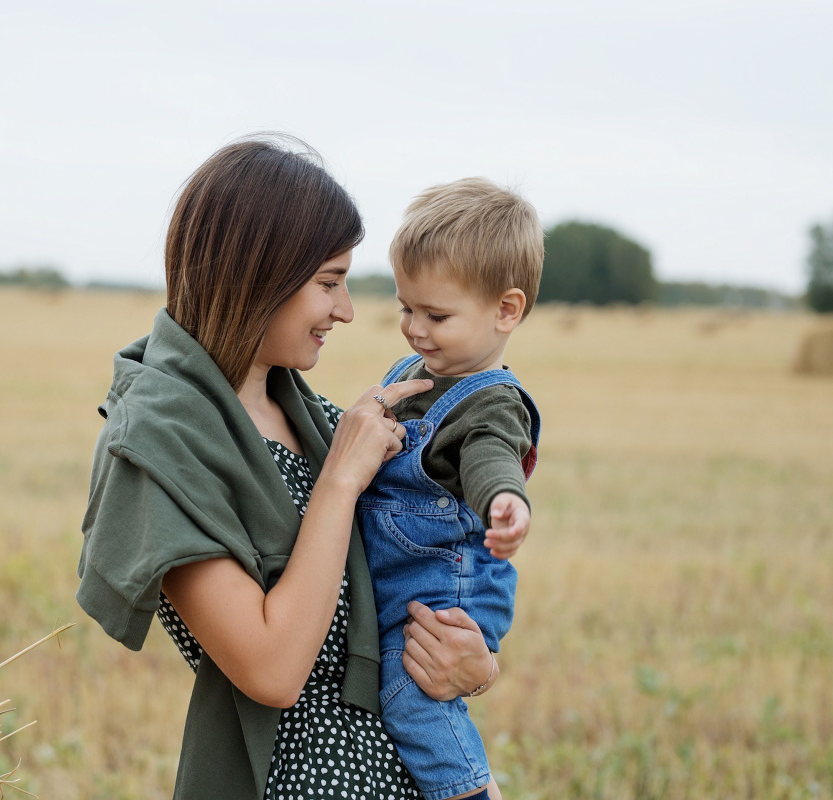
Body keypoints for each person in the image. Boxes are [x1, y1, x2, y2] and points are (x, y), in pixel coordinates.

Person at [77, 137, 499, 800]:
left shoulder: (316, 419)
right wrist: (340, 479)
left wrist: (474, 665)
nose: (347, 310)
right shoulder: (157, 449)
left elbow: (423, 576)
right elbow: (272, 669)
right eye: (328, 282)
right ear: (257, 275)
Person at [356, 177, 544, 800]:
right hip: (406, 581)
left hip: (447, 592)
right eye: (406, 308)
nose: (414, 329)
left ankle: (471, 792)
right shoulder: (415, 372)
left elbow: (493, 458)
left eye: (436, 315)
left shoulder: (489, 403)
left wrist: (504, 501)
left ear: (506, 311)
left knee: (412, 697)